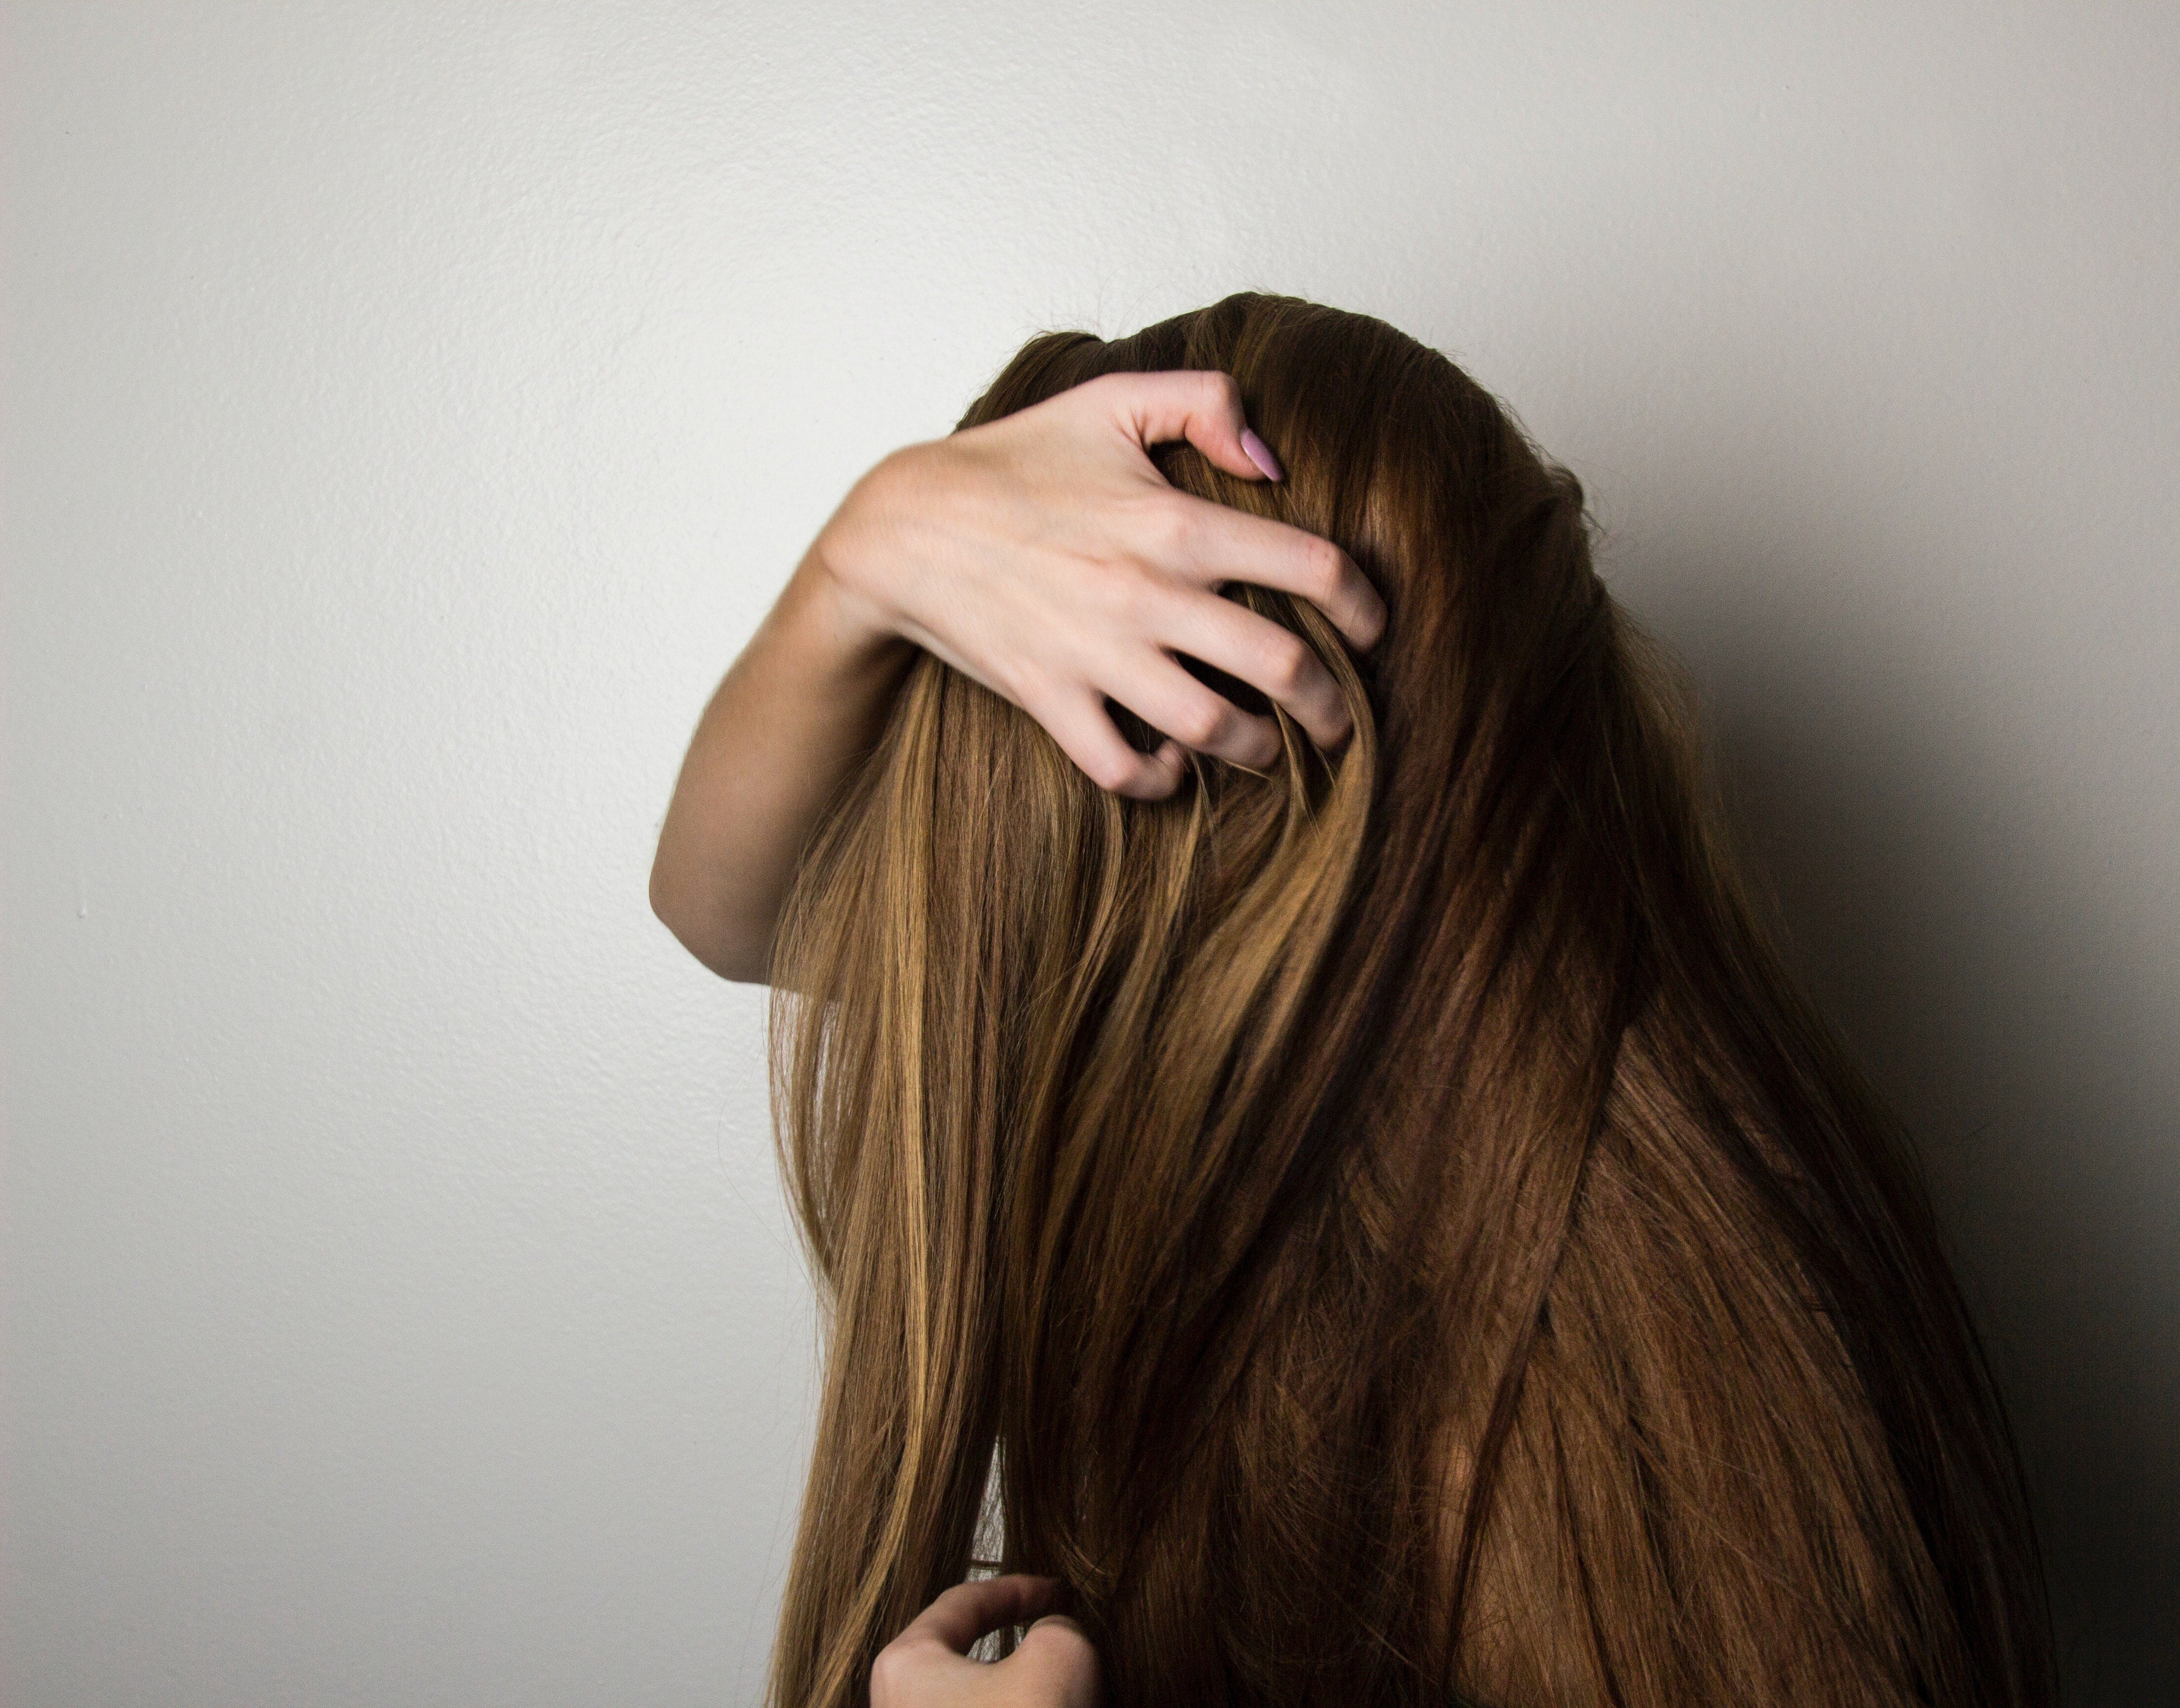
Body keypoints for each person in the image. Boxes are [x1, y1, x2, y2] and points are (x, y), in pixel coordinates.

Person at [653, 294, 2056, 1708]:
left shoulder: (1630, 1484)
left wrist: (878, 563)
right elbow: (722, 908)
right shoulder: (1670, 1242)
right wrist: (868, 558)